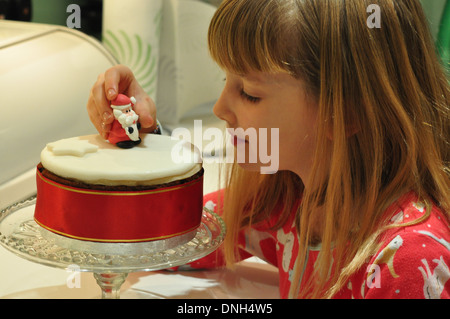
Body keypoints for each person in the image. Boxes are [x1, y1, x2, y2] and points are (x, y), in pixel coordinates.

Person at [87, 0, 450, 299]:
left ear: (347, 112)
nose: (219, 108)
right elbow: (166, 235)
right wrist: (137, 135)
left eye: (249, 93)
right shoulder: (287, 207)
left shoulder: (406, 262)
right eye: (224, 80)